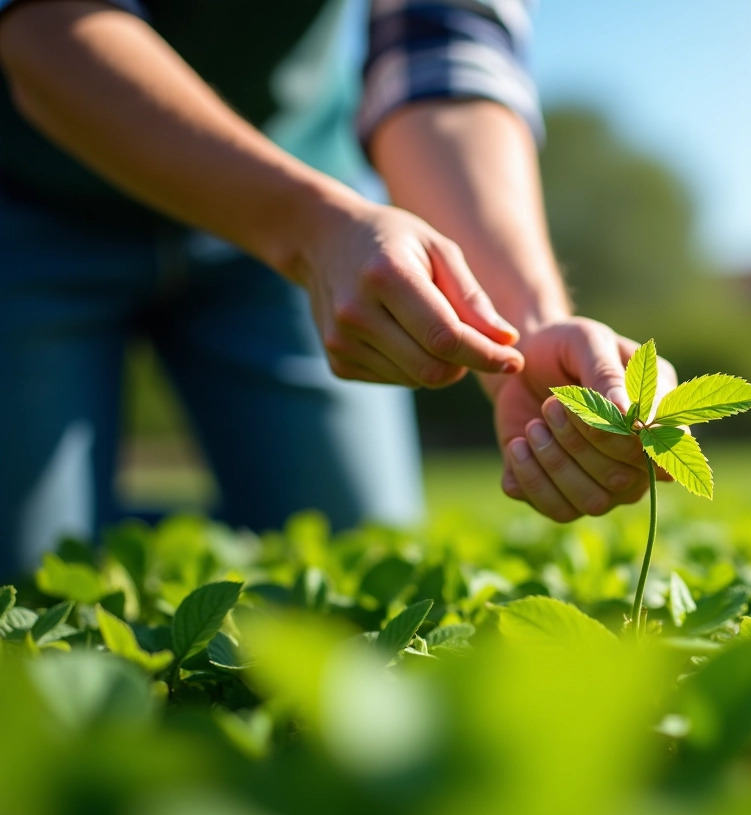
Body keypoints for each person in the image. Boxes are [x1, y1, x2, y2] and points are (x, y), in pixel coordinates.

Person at [0, 0, 675, 578]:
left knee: (359, 565)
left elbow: (444, 46)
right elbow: (48, 24)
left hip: (295, 180)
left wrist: (523, 328)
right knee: (29, 577)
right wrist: (309, 229)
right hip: (27, 200)